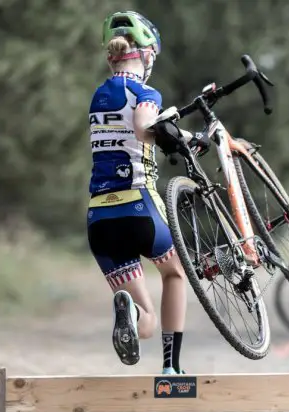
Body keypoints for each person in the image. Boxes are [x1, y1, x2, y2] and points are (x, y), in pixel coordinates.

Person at [87, 11, 197, 375]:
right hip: (138, 206)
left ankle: (132, 312)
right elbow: (142, 127)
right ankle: (171, 368)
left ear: (111, 55)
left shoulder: (98, 95)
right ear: (147, 54)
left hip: (99, 218)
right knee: (176, 273)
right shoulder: (144, 91)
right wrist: (172, 138)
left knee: (145, 319)